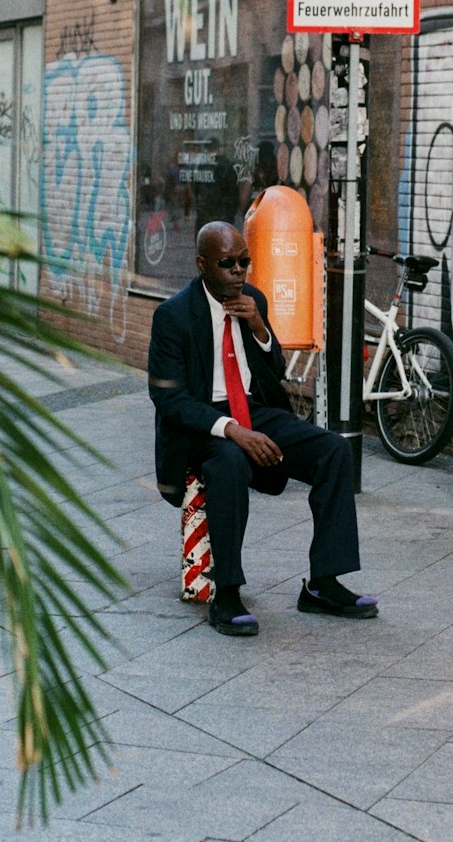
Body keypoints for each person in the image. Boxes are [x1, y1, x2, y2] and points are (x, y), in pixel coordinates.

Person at [148, 219, 377, 636]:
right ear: (202, 264)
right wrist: (231, 429)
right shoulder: (174, 316)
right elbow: (170, 399)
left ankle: (324, 583)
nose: (238, 271)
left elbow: (274, 375)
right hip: (205, 422)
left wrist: (259, 329)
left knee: (333, 450)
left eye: (244, 262)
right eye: (227, 263)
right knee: (229, 463)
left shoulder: (253, 300)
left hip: (253, 409)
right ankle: (228, 592)